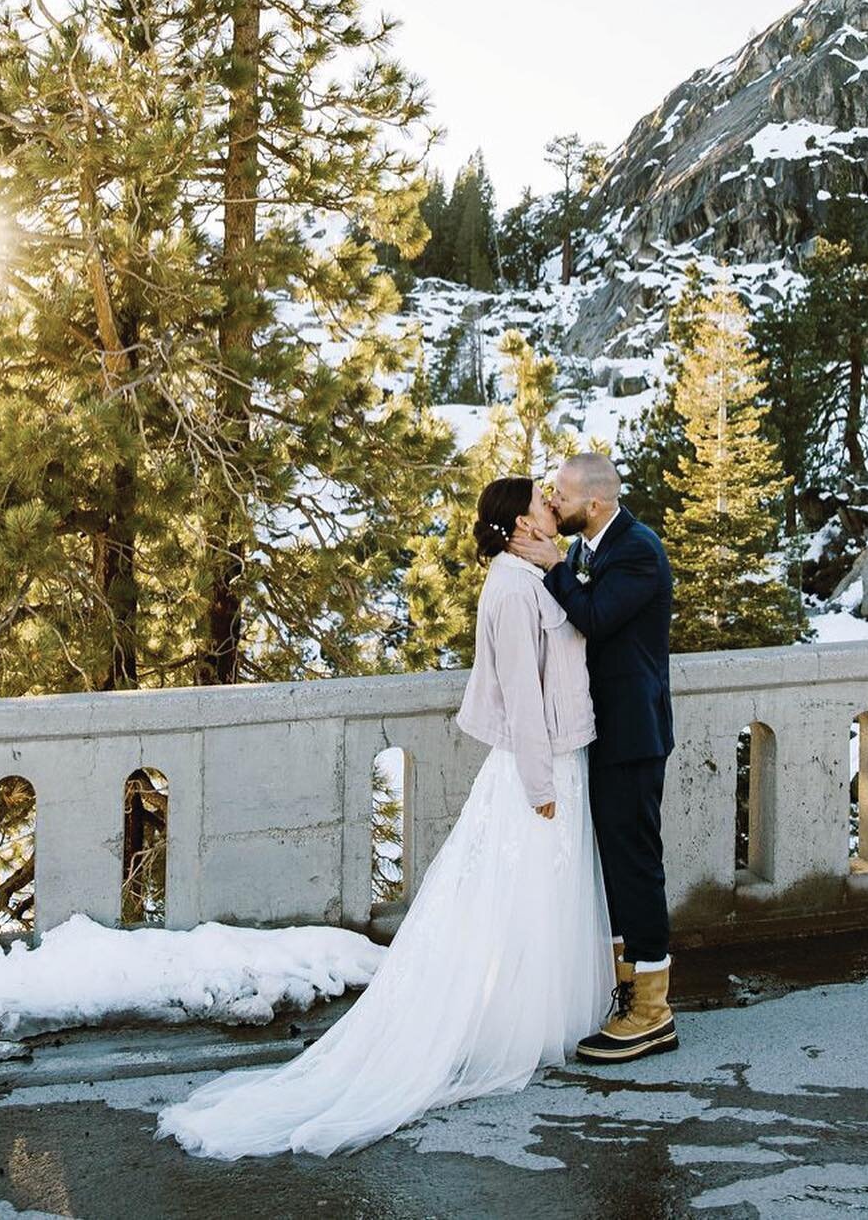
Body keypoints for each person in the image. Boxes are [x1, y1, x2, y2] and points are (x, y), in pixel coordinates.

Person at [154, 475, 611, 1160]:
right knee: (517, 897)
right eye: (544, 502)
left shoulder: (536, 575)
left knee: (540, 898)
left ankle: (532, 1019)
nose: (556, 505)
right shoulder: (513, 589)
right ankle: (503, 1029)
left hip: (562, 756)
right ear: (521, 522)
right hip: (535, 767)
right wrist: (541, 782)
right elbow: (519, 694)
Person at [510, 452, 677, 1063]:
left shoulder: (636, 549)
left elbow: (596, 617)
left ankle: (654, 1010)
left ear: (596, 504)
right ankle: (628, 989)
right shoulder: (594, 547)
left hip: (633, 737)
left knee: (636, 864)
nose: (553, 503)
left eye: (561, 496)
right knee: (615, 867)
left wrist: (553, 564)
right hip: (604, 734)